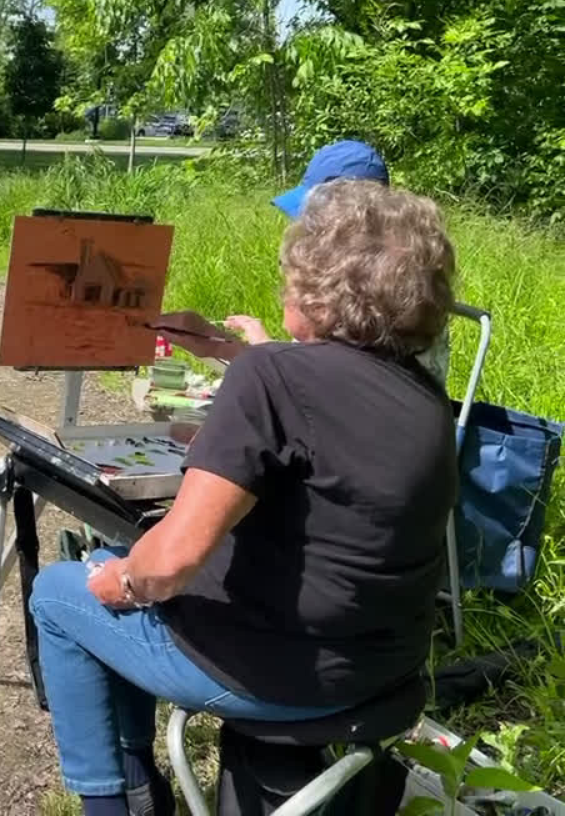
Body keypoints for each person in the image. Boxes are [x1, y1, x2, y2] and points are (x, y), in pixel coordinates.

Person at [29, 179, 458, 816]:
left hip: (273, 674)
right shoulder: (423, 394)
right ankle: (139, 781)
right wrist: (227, 352)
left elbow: (170, 565)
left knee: (62, 593)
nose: (285, 287)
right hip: (384, 671)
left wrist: (123, 582)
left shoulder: (271, 376)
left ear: (319, 290)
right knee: (118, 561)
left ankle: (113, 801)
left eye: (292, 274)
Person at [164, 139, 451, 384]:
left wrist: (238, 349)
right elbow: (305, 379)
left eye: (315, 220)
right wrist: (219, 344)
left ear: (354, 219)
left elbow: (314, 391)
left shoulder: (380, 297)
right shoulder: (352, 282)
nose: (305, 231)